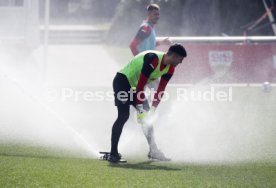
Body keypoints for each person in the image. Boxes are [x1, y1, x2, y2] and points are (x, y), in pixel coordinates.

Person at [109, 44, 187, 162]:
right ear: (174, 56)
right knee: (123, 116)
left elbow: (160, 90)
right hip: (122, 82)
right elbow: (141, 84)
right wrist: (140, 108)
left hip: (135, 88)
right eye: (180, 59)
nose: (181, 62)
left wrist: (152, 110)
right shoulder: (153, 59)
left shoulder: (170, 68)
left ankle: (153, 151)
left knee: (147, 119)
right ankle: (113, 154)